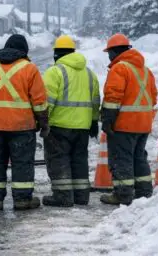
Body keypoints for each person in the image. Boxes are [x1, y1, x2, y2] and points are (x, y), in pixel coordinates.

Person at [0, 34, 49, 211]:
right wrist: (44, 124)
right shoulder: (30, 69)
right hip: (22, 127)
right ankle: (22, 200)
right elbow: (39, 102)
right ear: (24, 52)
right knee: (22, 163)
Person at [41, 34, 101, 207]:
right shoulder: (90, 74)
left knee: (59, 160)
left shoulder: (55, 72)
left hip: (59, 126)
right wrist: (93, 122)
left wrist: (42, 122)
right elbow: (95, 101)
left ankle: (63, 196)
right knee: (79, 160)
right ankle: (81, 197)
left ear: (57, 54)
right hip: (83, 127)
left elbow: (47, 101)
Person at [100, 33, 158, 206]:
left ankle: (122, 194)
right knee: (139, 157)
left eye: (109, 52)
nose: (109, 56)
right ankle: (144, 191)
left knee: (122, 158)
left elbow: (113, 97)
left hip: (124, 124)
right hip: (143, 123)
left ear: (115, 51)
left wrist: (108, 120)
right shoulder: (146, 71)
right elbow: (153, 97)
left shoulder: (119, 68)